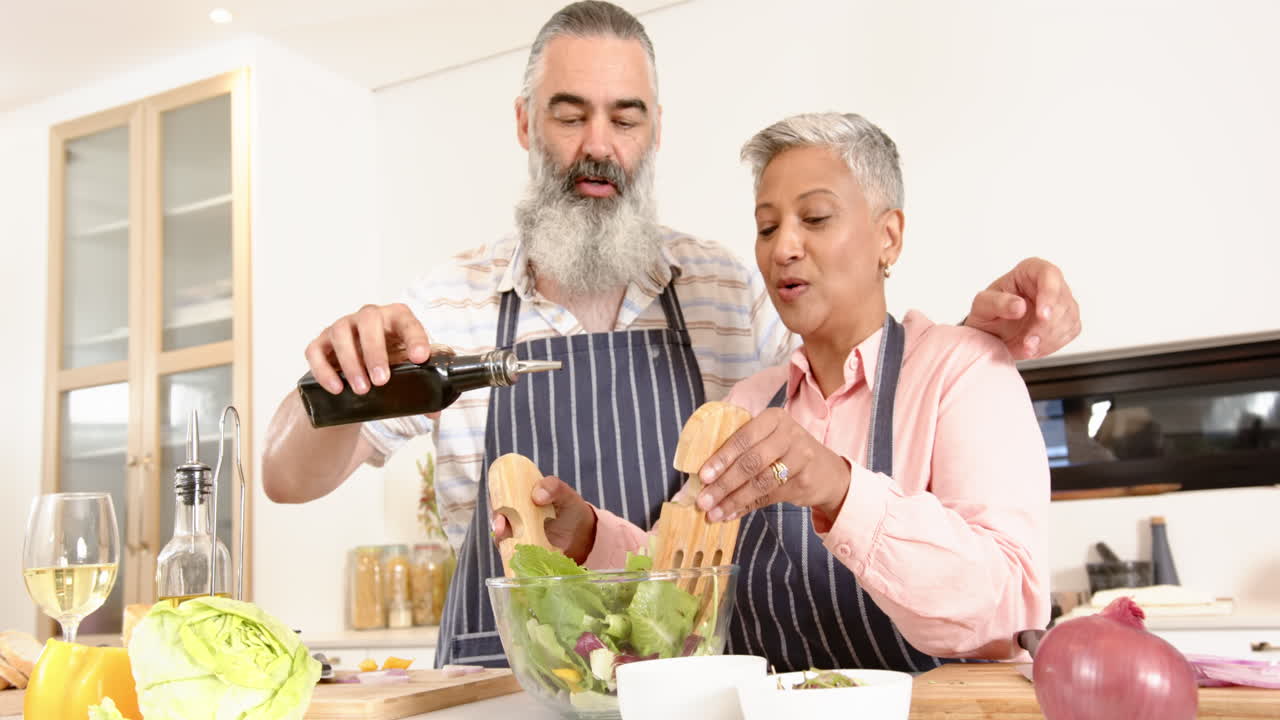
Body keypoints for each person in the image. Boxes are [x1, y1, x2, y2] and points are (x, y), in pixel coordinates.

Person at [261, 1, 1078, 668]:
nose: (597, 146)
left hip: (681, 693)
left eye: (625, 117)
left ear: (654, 131)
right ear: (523, 123)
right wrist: (343, 385)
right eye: (569, 115)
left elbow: (854, 377)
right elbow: (284, 478)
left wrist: (966, 344)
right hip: (507, 690)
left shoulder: (722, 289)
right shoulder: (445, 305)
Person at [536, 112, 1051, 671]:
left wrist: (839, 488)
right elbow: (678, 581)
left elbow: (1006, 603)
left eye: (816, 217)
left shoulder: (965, 372)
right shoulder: (749, 405)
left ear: (889, 236)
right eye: (766, 226)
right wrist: (587, 534)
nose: (784, 247)